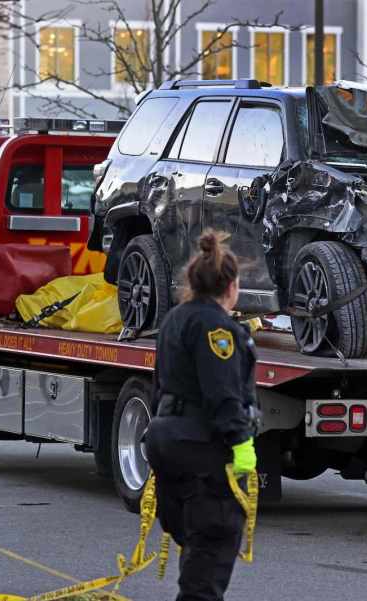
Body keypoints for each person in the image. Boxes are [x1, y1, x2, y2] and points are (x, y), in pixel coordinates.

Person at [144, 230, 259, 601]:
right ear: (231, 287)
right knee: (213, 541)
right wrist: (241, 443)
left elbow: (160, 383)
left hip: (167, 437)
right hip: (200, 444)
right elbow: (222, 393)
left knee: (196, 547)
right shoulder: (217, 329)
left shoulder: (175, 319)